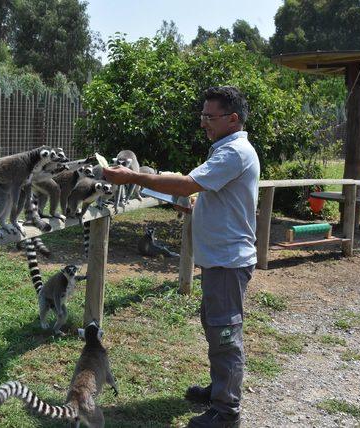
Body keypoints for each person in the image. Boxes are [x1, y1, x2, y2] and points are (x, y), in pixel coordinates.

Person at [102, 86, 260, 428]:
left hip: (228, 262)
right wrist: (178, 199)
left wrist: (130, 177)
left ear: (232, 119)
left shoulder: (233, 152)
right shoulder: (225, 149)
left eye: (210, 116)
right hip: (221, 260)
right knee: (215, 327)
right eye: (202, 115)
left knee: (225, 334)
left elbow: (188, 184)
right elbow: (200, 193)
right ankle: (220, 389)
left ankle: (226, 410)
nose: (203, 122)